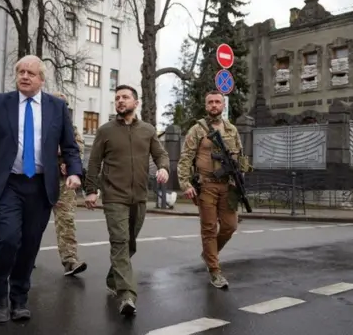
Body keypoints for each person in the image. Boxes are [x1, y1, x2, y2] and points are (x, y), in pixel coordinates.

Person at [0, 55, 83, 324]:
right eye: (20, 71)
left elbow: (70, 146)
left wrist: (75, 172)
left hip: (41, 186)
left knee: (29, 245)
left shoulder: (57, 107)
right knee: (7, 238)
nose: (25, 76)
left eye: (31, 72)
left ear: (41, 79)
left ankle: (19, 297)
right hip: (9, 183)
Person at [84, 84, 170, 316]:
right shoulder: (106, 131)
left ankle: (113, 278)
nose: (120, 101)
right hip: (114, 196)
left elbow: (160, 154)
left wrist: (163, 168)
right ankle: (127, 295)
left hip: (139, 196)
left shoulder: (148, 130)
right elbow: (94, 163)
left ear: (136, 102)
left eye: (125, 97)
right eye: (117, 98)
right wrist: (91, 189)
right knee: (120, 241)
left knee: (130, 242)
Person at [176, 90, 250, 289]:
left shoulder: (232, 130)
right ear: (206, 105)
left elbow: (241, 155)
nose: (214, 105)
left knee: (230, 226)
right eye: (211, 102)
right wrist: (186, 184)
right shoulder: (197, 130)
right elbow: (185, 159)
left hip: (229, 185)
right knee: (209, 228)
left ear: (223, 105)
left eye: (218, 102)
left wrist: (241, 174)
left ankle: (209, 254)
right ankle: (215, 271)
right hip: (207, 185)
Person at [51, 92, 87, 276]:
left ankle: (70, 261)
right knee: (30, 222)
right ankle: (24, 256)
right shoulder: (38, 124)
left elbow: (78, 147)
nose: (61, 108)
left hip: (63, 182)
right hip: (38, 180)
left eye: (64, 105)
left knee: (66, 220)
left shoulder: (70, 128)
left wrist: (67, 159)